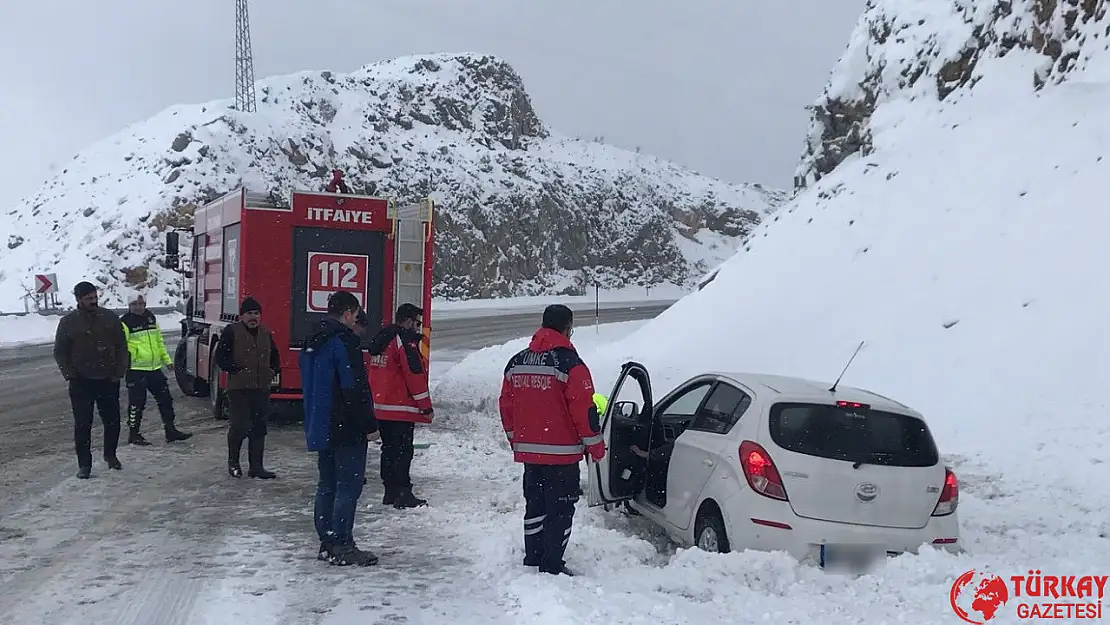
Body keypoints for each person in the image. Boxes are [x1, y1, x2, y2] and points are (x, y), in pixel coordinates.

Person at [498, 304, 606, 576]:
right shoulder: (571, 365)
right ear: (567, 328)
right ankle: (551, 564)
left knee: (535, 505)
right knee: (560, 509)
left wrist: (516, 440)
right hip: (563, 455)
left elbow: (506, 407)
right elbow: (584, 410)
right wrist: (596, 446)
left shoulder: (516, 362)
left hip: (530, 455)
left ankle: (533, 556)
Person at [301, 292, 380, 567]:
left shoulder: (313, 340)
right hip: (346, 426)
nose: (356, 318)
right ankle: (343, 544)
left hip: (321, 424)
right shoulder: (344, 342)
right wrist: (368, 424)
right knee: (348, 486)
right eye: (355, 314)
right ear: (347, 313)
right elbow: (353, 387)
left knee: (327, 485)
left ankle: (328, 542)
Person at [53, 281, 129, 478]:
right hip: (81, 382)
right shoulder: (68, 322)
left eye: (95, 297)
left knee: (113, 422)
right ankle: (84, 466)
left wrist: (118, 372)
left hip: (108, 379)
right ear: (79, 299)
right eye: (89, 298)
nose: (93, 301)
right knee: (83, 425)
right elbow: (60, 352)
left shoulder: (109, 317)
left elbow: (122, 346)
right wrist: (70, 374)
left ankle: (110, 456)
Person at [367, 303, 433, 508]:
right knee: (403, 453)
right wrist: (426, 407)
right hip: (400, 409)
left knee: (388, 451)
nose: (418, 327)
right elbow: (414, 376)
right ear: (407, 321)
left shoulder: (382, 339)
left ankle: (390, 491)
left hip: (382, 407)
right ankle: (403, 493)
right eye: (417, 322)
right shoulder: (404, 342)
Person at [216, 296, 281, 479]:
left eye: (256, 314)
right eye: (250, 314)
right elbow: (221, 357)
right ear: (242, 316)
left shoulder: (265, 333)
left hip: (261, 388)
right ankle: (234, 463)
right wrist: (236, 369)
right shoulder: (232, 332)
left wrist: (272, 371)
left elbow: (275, 356)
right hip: (238, 389)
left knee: (259, 428)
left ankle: (256, 467)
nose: (254, 317)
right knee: (240, 426)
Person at [120, 292, 192, 445]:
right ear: (129, 306)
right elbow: (120, 346)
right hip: (136, 369)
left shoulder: (151, 318)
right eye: (134, 304)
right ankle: (134, 434)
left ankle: (171, 430)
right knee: (137, 403)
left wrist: (167, 360)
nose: (138, 307)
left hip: (154, 368)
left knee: (165, 399)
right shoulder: (125, 322)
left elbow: (159, 342)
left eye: (141, 304)